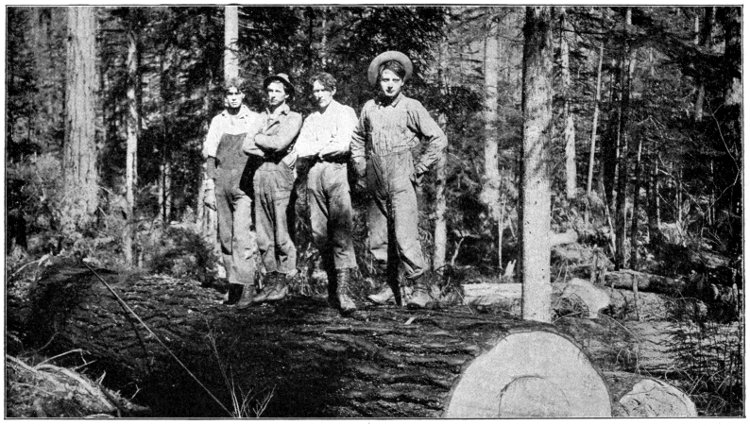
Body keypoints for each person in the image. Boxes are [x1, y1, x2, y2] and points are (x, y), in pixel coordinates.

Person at [351, 51, 447, 309]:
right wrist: (360, 164)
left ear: (403, 82)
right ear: (378, 81)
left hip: (402, 173)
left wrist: (421, 166)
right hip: (375, 173)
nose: (390, 85)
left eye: (395, 80)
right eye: (385, 80)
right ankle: (388, 287)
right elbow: (358, 137)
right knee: (379, 236)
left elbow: (438, 138)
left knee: (405, 235)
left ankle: (420, 289)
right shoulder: (370, 108)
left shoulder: (410, 106)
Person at [295, 72, 359, 314]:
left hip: (337, 170)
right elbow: (302, 148)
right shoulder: (311, 118)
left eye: (323, 89)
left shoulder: (344, 112)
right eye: (316, 90)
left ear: (333, 90)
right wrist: (322, 147)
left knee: (341, 230)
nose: (319, 94)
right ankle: (332, 290)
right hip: (314, 172)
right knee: (319, 232)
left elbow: (344, 143)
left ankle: (344, 292)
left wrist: (318, 147)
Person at [240, 73, 302, 307]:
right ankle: (270, 281)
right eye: (270, 91)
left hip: (280, 175)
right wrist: (267, 146)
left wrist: (260, 139)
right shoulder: (260, 117)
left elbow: (280, 143)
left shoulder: (294, 117)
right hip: (260, 173)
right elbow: (246, 145)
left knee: (281, 229)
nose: (273, 95)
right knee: (264, 232)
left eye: (278, 91)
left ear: (287, 94)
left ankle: (283, 281)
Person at [202, 77, 262, 307]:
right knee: (226, 236)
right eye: (230, 94)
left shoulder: (254, 119)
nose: (234, 98)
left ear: (243, 95)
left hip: (244, 185)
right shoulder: (218, 121)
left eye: (237, 93)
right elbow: (210, 156)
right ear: (224, 97)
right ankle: (233, 285)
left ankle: (247, 285)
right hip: (222, 183)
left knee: (242, 236)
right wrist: (209, 188)